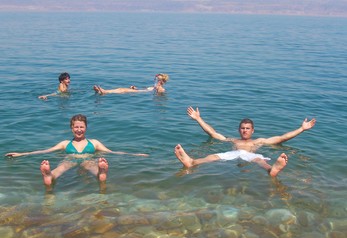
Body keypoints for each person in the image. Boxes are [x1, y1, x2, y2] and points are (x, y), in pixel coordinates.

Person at [5, 114, 148, 191]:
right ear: (71, 128)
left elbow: (113, 152)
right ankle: (49, 175)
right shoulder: (65, 143)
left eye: (81, 127)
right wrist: (22, 154)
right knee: (60, 168)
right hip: (70, 159)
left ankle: (101, 173)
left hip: (87, 160)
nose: (79, 130)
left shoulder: (94, 143)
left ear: (86, 128)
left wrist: (135, 155)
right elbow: (45, 151)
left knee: (92, 166)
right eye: (76, 127)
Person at [175, 106, 316, 177]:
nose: (245, 130)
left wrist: (301, 129)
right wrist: (198, 119)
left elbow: (281, 138)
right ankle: (191, 162)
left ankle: (271, 170)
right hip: (233, 154)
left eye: (248, 128)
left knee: (259, 161)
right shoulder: (232, 140)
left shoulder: (259, 141)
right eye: (242, 128)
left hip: (250, 155)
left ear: (253, 130)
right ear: (239, 130)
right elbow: (212, 133)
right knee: (213, 156)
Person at [93, 73, 169, 95]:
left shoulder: (161, 89)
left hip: (139, 93)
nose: (156, 81)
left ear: (162, 82)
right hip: (139, 91)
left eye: (158, 80)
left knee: (121, 89)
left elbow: (158, 95)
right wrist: (135, 88)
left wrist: (158, 88)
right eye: (156, 79)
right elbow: (145, 89)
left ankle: (104, 92)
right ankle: (101, 92)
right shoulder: (154, 86)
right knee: (121, 89)